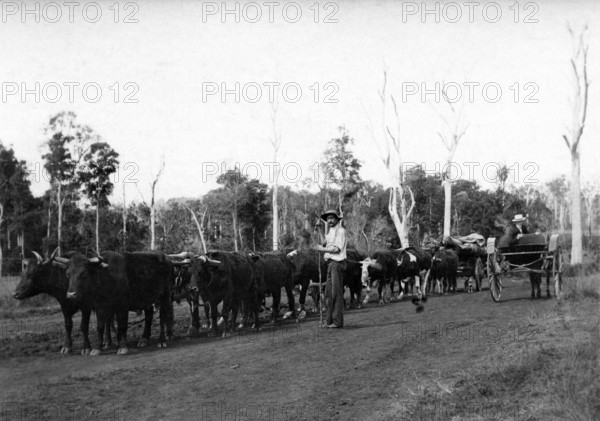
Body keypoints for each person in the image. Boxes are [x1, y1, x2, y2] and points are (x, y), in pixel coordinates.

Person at [314, 209, 347, 329]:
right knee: (328, 293)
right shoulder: (331, 231)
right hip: (329, 263)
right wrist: (319, 229)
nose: (330, 220)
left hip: (337, 263)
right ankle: (329, 321)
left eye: (332, 218)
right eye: (328, 218)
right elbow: (324, 242)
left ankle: (337, 322)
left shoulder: (341, 231)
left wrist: (322, 250)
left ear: (337, 219)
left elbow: (337, 249)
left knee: (336, 293)